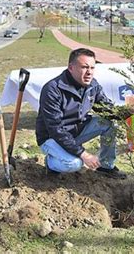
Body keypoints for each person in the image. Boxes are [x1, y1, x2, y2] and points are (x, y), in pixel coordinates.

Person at [35, 48, 127, 179]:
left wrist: (127, 113)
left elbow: (106, 109)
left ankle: (106, 166)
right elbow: (56, 129)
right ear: (71, 67)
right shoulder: (53, 89)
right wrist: (83, 154)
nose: (89, 72)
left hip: (77, 131)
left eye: (92, 67)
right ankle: (51, 164)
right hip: (52, 138)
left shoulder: (92, 86)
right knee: (74, 164)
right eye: (84, 67)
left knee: (108, 124)